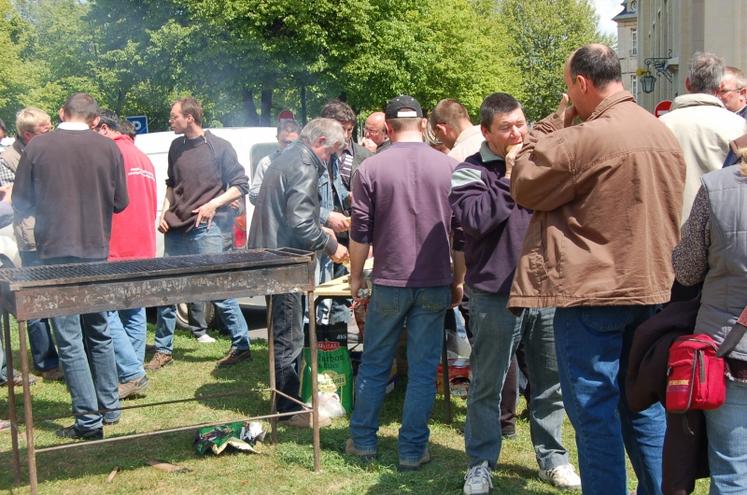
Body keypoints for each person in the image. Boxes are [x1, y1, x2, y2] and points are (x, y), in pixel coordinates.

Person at [509, 44, 686, 494]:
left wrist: (551, 123)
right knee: (643, 405)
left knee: (593, 411)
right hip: (651, 290)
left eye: (569, 88)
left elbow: (526, 184)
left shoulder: (586, 137)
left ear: (582, 85)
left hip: (595, 294)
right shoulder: (660, 132)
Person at [451, 93, 580, 494]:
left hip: (545, 290)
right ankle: (480, 463)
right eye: (506, 127)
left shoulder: (540, 164)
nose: (517, 133)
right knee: (487, 383)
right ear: (486, 132)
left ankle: (553, 458)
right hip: (495, 293)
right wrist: (508, 178)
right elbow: (474, 221)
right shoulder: (468, 172)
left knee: (549, 381)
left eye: (520, 124)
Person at [345, 95, 460, 470]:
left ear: (389, 128)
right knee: (424, 368)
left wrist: (355, 278)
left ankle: (363, 441)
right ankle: (412, 449)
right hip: (434, 280)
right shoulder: (450, 167)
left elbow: (360, 233)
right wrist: (459, 280)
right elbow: (460, 236)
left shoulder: (370, 169)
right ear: (424, 123)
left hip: (390, 281)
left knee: (376, 363)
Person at [13, 92, 129, 440]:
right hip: (95, 250)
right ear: (94, 118)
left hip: (55, 254)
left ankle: (88, 421)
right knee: (99, 328)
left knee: (69, 338)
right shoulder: (109, 148)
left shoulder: (38, 147)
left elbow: (20, 201)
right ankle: (109, 408)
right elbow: (121, 202)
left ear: (62, 113)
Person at [248, 117, 349, 428]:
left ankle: (285, 402)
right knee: (288, 337)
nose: (329, 159)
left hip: (275, 256)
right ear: (319, 143)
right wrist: (332, 246)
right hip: (285, 261)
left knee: (284, 333)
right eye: (331, 153)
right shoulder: (304, 163)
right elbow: (302, 223)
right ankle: (288, 410)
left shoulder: (288, 157)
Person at [146, 97, 251, 371]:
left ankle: (241, 345)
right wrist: (162, 213)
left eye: (174, 116)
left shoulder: (219, 147)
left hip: (206, 230)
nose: (170, 121)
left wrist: (213, 204)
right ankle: (163, 350)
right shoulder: (175, 146)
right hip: (175, 230)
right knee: (168, 291)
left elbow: (241, 185)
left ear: (189, 117)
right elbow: (172, 185)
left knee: (217, 289)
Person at [672, 159, 747, 494]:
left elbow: (686, 270)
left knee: (731, 473)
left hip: (730, 349)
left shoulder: (718, 187)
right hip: (730, 348)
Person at [95, 109, 156, 400]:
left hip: (118, 245)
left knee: (106, 310)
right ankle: (133, 370)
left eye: (94, 129)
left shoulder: (110, 152)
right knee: (134, 310)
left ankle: (132, 372)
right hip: (143, 244)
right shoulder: (142, 156)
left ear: (105, 128)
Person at [0, 107, 61, 383]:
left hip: (57, 234)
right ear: (27, 134)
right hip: (32, 240)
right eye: (44, 129)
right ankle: (46, 361)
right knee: (36, 303)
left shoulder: (51, 148)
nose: (51, 131)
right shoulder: (8, 159)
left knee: (61, 298)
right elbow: (14, 199)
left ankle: (69, 355)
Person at [659, 52, 746, 223]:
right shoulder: (738, 126)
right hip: (721, 226)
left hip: (672, 226)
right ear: (719, 86)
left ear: (687, 83)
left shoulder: (660, 125)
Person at [248, 119, 301, 205]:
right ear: (277, 138)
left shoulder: (306, 163)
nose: (288, 146)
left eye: (291, 143)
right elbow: (253, 196)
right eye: (285, 142)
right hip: (275, 216)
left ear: (299, 140)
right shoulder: (266, 163)